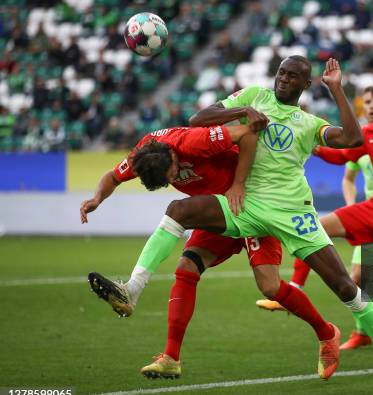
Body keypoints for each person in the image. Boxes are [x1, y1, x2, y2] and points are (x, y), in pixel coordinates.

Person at [111, 57, 373, 395]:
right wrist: (245, 111)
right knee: (178, 210)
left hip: (293, 213)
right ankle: (134, 288)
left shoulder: (309, 123)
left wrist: (336, 88)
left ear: (306, 85)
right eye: (281, 73)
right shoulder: (254, 96)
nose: (284, 80)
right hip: (245, 204)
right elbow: (197, 119)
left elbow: (352, 138)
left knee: (345, 288)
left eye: (293, 77)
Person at [81, 124, 339, 381]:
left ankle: (326, 333)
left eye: (171, 175)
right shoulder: (144, 155)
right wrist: (96, 199)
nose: (172, 180)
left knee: (270, 287)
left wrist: (238, 184)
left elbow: (247, 133)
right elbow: (113, 176)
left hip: (255, 202)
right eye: (167, 181)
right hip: (218, 211)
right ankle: (171, 357)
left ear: (172, 156)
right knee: (186, 267)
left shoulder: (194, 141)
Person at [257, 86, 373, 358]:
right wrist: (311, 143)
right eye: (370, 104)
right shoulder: (364, 139)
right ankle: (359, 331)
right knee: (356, 276)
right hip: (370, 215)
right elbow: (346, 171)